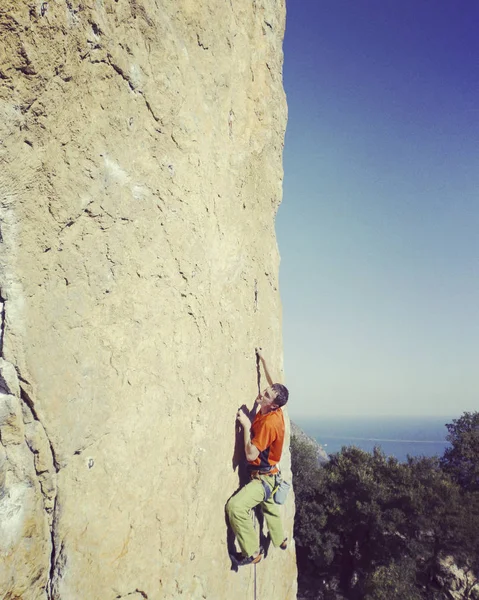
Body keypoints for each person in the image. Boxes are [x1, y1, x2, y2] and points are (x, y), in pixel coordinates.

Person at [226, 348, 289, 566]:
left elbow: (251, 452)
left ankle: (252, 552)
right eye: (266, 391)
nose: (263, 393)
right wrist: (264, 360)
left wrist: (245, 426)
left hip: (262, 479)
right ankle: (280, 539)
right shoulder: (276, 408)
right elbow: (275, 383)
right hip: (270, 474)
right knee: (269, 506)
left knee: (236, 507)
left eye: (267, 395)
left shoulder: (270, 424)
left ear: (273, 404)